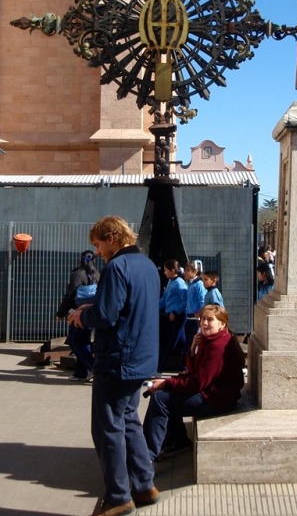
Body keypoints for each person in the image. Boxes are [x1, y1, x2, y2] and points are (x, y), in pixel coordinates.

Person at [68, 215, 160, 516]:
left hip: (118, 358)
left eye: (98, 244)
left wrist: (83, 316)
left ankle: (119, 496)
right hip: (142, 357)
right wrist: (92, 306)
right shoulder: (146, 265)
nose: (97, 251)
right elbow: (128, 306)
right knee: (129, 420)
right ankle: (144, 484)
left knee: (108, 428)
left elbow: (108, 315)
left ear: (111, 238)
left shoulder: (116, 266)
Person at [143, 304, 245, 461]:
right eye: (202, 319)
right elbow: (194, 371)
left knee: (161, 398)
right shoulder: (211, 339)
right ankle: (176, 440)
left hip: (216, 399)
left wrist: (165, 383)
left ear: (222, 324)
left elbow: (197, 383)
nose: (204, 323)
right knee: (164, 394)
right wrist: (192, 349)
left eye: (210, 320)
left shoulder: (219, 346)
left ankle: (146, 456)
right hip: (210, 391)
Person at [56, 250, 99, 381]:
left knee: (74, 341)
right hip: (92, 311)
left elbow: (69, 295)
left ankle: (93, 368)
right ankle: (80, 372)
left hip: (78, 312)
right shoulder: (97, 274)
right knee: (84, 340)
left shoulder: (77, 274)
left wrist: (61, 313)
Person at [158, 259, 187, 373]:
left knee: (171, 342)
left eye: (166, 270)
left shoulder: (180, 283)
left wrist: (175, 312)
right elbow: (164, 300)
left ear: (172, 270)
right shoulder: (171, 282)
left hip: (177, 316)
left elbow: (184, 301)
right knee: (182, 342)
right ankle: (186, 366)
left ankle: (160, 367)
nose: (164, 272)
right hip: (172, 315)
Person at [184, 260, 206, 354]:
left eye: (188, 270)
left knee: (194, 342)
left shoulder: (199, 284)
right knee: (189, 341)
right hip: (189, 316)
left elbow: (202, 300)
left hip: (195, 318)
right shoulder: (190, 284)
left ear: (195, 271)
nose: (186, 272)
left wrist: (200, 313)